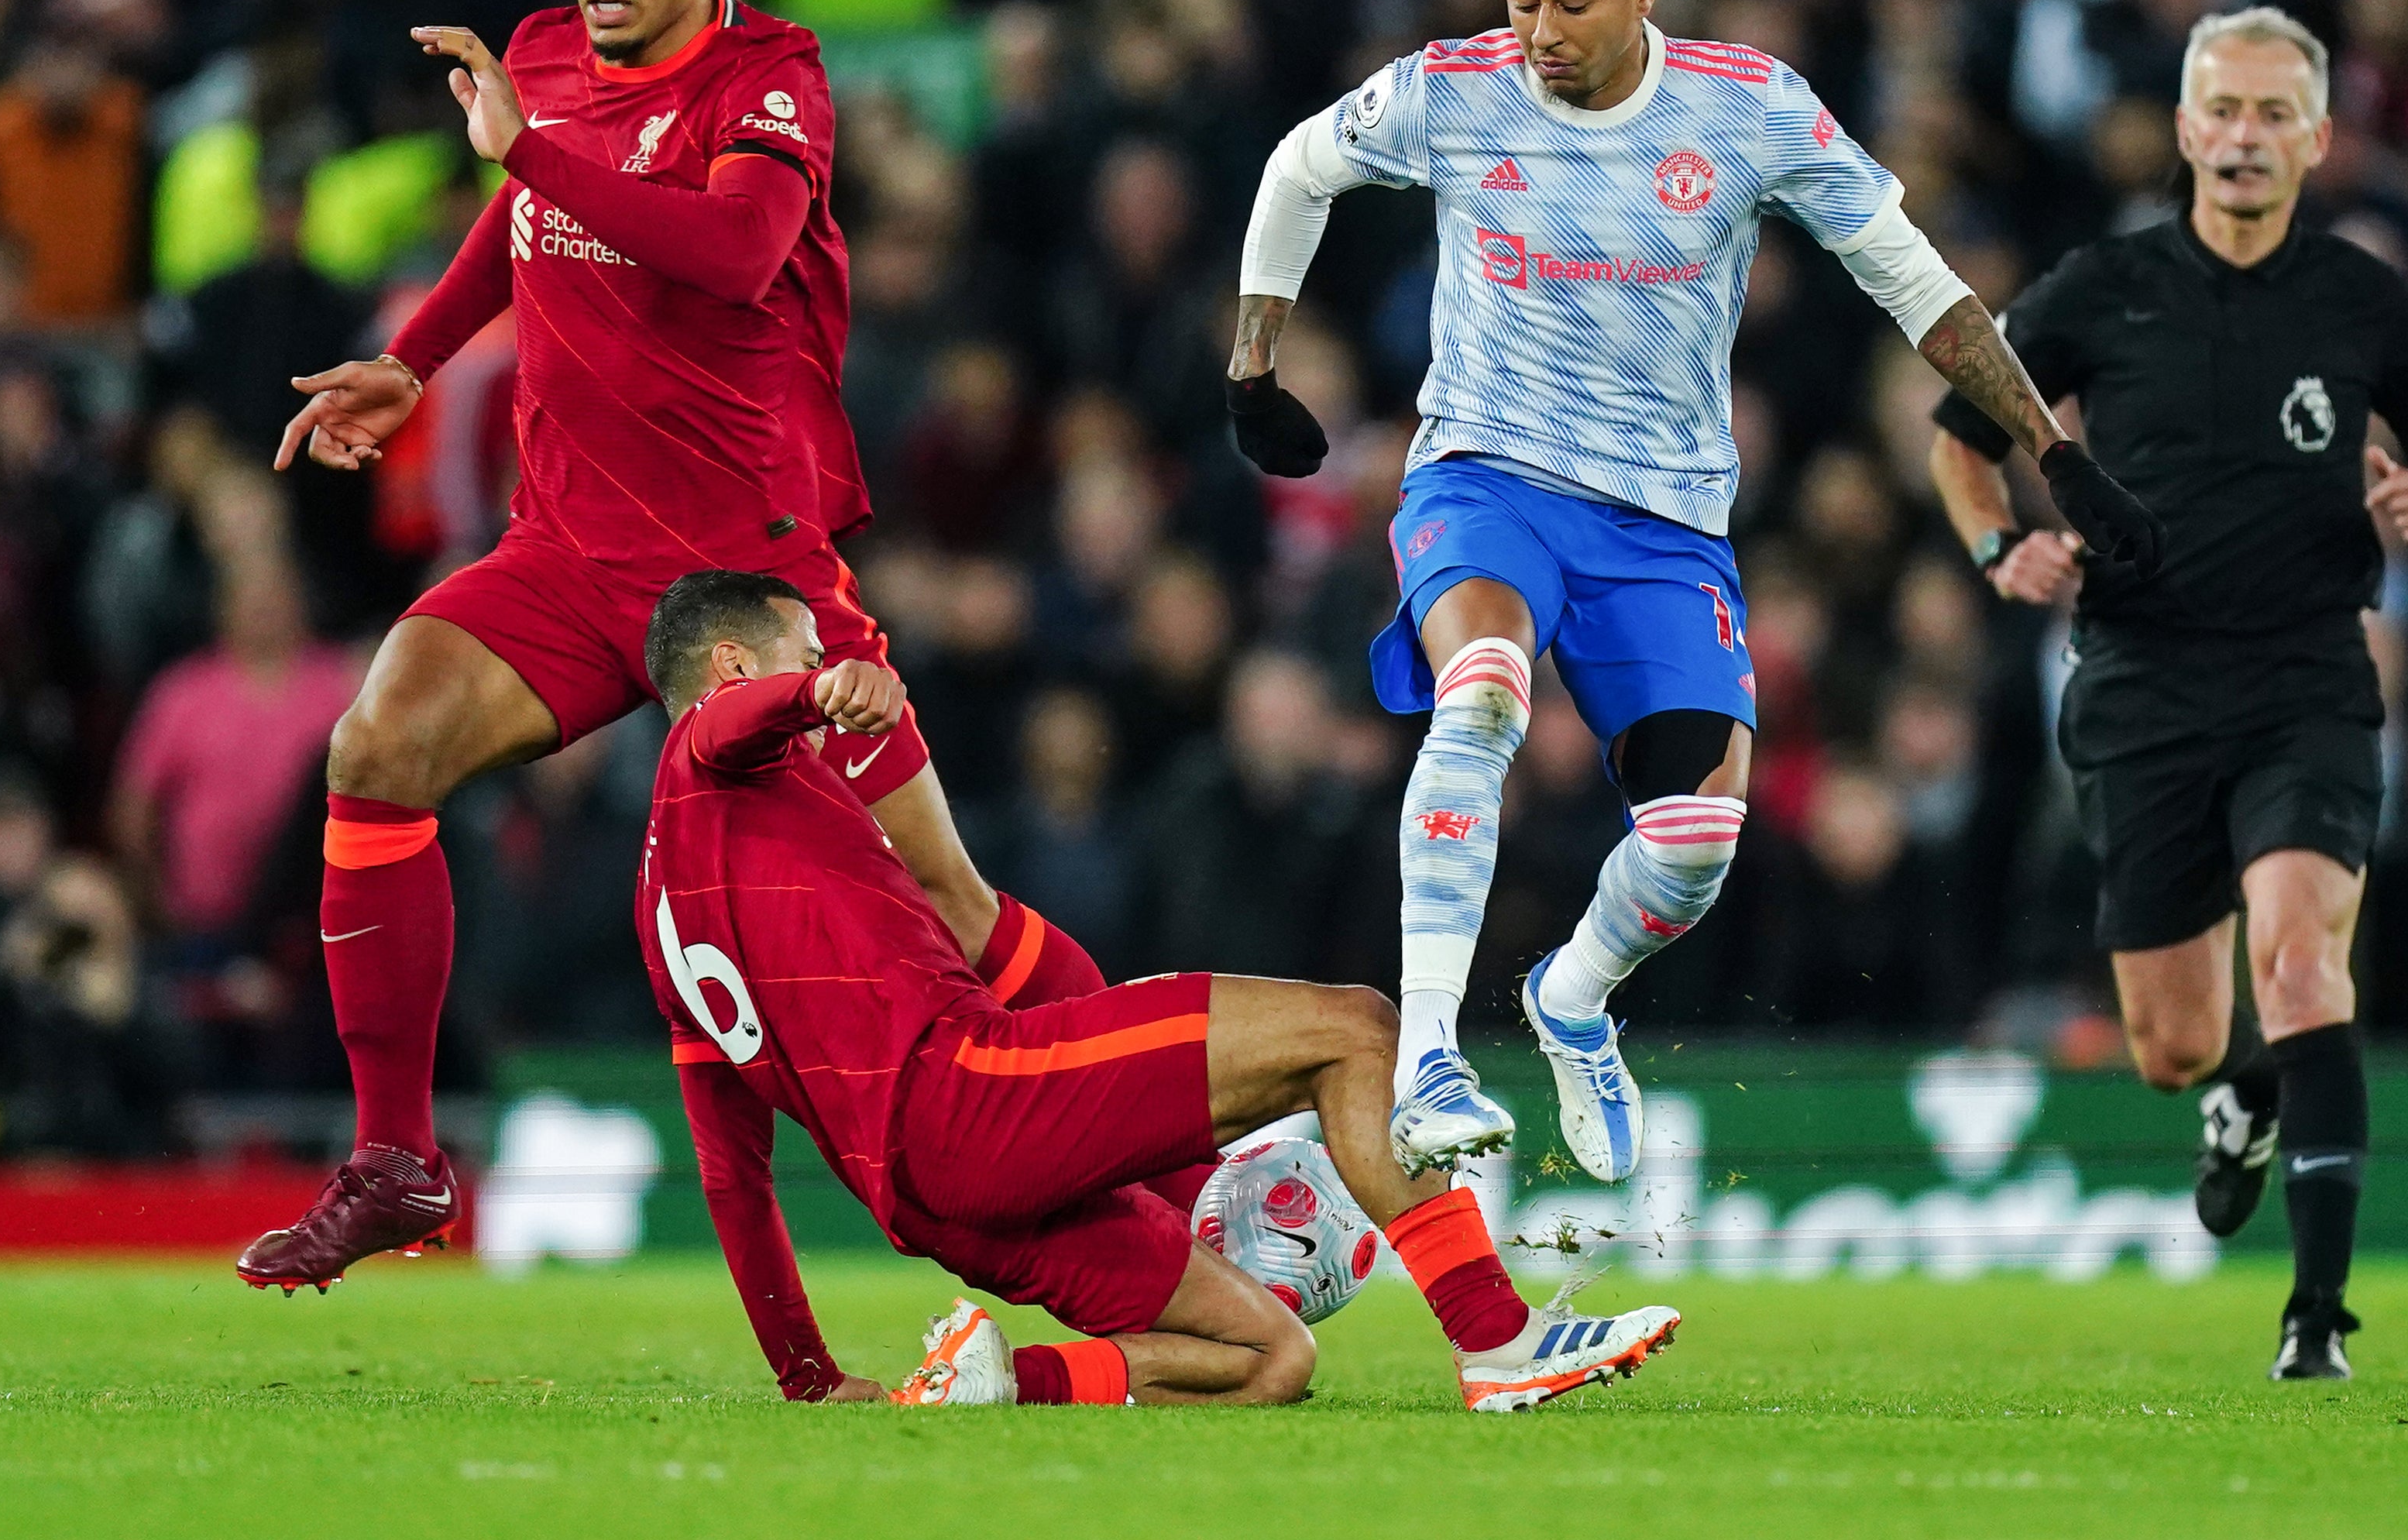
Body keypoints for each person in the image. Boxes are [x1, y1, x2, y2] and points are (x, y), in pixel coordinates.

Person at [1225, 0, 2159, 1186]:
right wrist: (1253, 362)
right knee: (1480, 690)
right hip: (1483, 475)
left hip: (1662, 520)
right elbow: (1294, 167)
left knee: (1695, 840)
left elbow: (1915, 282)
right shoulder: (1453, 87)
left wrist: (2051, 454)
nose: (1539, 31)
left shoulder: (1748, 109)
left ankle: (1569, 1000)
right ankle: (1428, 1046)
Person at [239, 0, 1067, 1287]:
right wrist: (418, 360)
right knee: (378, 746)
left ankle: (1174, 1144)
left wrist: (532, 158)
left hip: (749, 584)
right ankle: (396, 1162)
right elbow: (519, 219)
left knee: (946, 901)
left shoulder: (775, 76)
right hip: (566, 550)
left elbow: (734, 252)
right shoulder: (543, 58)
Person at [628, 569, 1680, 1412]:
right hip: (967, 1094)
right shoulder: (716, 753)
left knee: (1270, 1356)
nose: (822, 681)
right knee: (1356, 1029)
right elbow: (722, 726)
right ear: (732, 666)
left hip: (925, 1200)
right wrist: (813, 690)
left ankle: (983, 1382)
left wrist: (805, 1373)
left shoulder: (666, 911)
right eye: (803, 654)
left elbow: (734, 1175)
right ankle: (1497, 1340)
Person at [1925, 5, 2408, 1380]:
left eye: (2270, 115)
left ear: (2316, 139)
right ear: (2184, 128)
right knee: (2174, 1044)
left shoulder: (2365, 300)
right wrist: (1999, 545)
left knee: (2303, 958)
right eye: (2220, 111)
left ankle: (2316, 1315)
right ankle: (2246, 1091)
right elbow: (1959, 438)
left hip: (2308, 673)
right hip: (2139, 683)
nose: (2242, 138)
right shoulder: (2096, 289)